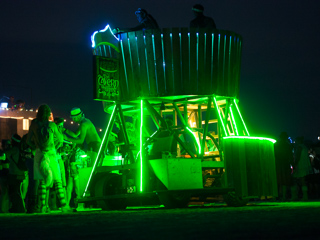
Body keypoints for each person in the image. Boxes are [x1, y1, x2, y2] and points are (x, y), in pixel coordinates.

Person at [27, 104, 70, 213]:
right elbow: (60, 140)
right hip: (51, 153)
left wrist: (35, 148)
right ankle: (64, 206)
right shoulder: (52, 125)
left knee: (42, 181)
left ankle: (43, 206)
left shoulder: (34, 124)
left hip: (39, 153)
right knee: (57, 180)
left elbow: (28, 141)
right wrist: (54, 148)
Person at [5, 134, 27, 213]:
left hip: (14, 173)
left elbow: (5, 154)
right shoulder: (20, 149)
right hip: (21, 173)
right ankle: (19, 208)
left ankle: (18, 208)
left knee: (14, 191)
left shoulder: (14, 149)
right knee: (17, 191)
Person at [291, 136, 313, 201]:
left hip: (300, 166)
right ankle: (305, 196)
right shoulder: (305, 147)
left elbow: (297, 157)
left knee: (294, 180)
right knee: (303, 181)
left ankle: (295, 196)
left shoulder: (299, 147)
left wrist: (294, 165)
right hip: (304, 166)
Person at [274, 132, 294, 201]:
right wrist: (293, 164)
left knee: (278, 180)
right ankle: (283, 196)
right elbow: (290, 156)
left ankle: (278, 196)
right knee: (285, 180)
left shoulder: (276, 145)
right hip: (285, 164)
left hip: (278, 163)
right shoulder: (288, 146)